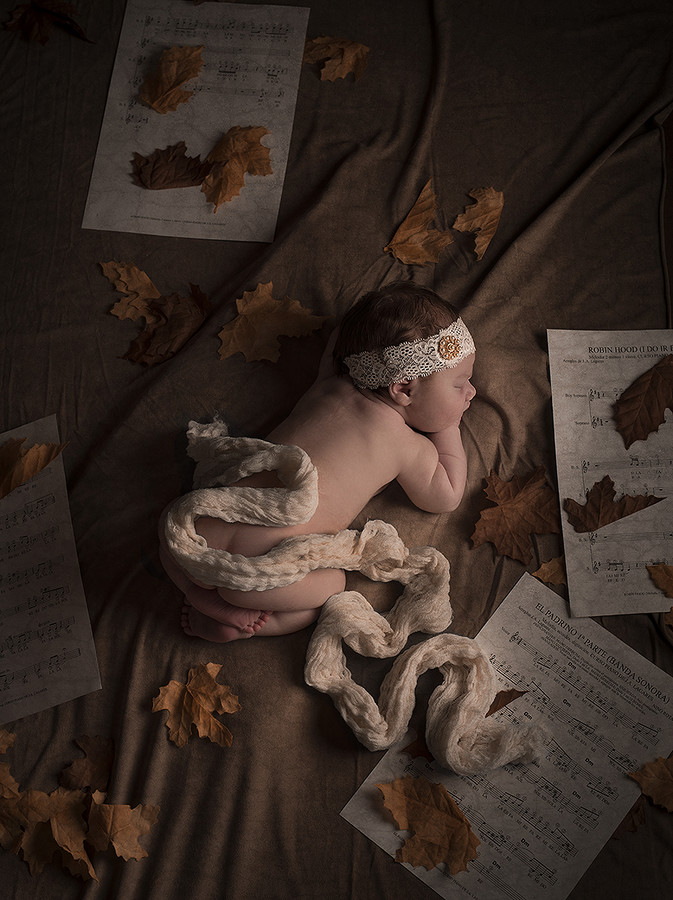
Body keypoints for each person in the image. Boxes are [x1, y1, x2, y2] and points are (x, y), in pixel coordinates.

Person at [159, 282, 476, 642]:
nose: (471, 392)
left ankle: (196, 592)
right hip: (266, 575)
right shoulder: (409, 447)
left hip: (203, 529)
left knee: (172, 536)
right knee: (331, 588)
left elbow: (339, 341)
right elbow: (446, 496)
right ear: (403, 389)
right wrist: (449, 425)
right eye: (460, 383)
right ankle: (237, 624)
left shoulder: (328, 385)